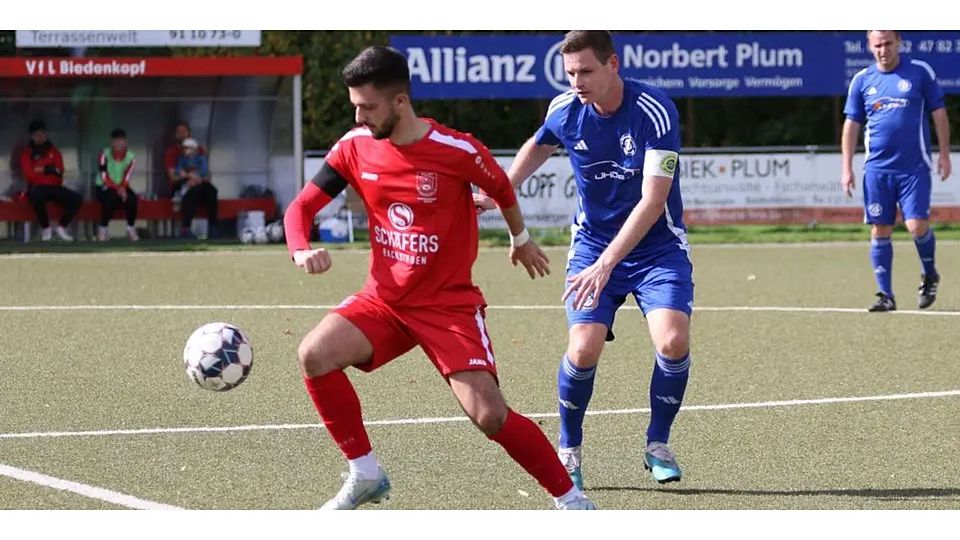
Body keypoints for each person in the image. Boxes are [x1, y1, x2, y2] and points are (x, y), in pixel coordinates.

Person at [283, 46, 596, 511]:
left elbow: (501, 187)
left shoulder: (457, 149)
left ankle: (571, 501)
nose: (358, 116)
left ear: (400, 102)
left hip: (447, 307)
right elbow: (301, 207)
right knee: (314, 354)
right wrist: (301, 249)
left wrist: (521, 238)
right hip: (384, 301)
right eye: (355, 106)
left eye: (367, 106)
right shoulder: (354, 146)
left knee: (490, 415)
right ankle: (365, 472)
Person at [477, 31, 693, 489]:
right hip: (593, 244)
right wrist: (502, 191)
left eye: (586, 71)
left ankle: (658, 444)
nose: (577, 82)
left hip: (656, 248)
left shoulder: (654, 110)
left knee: (673, 342)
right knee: (582, 349)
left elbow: (654, 201)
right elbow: (539, 145)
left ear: (613, 64)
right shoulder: (565, 109)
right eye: (570, 73)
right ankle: (569, 449)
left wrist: (607, 265)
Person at [842, 30, 952, 312]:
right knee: (880, 228)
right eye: (878, 45)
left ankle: (930, 274)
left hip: (913, 167)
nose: (883, 50)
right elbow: (852, 124)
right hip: (877, 170)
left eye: (888, 43)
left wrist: (943, 154)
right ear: (870, 46)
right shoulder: (862, 80)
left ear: (899, 43)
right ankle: (886, 295)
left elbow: (939, 113)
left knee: (916, 226)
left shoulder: (919, 72)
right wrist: (847, 167)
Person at [21, 120, 82, 242]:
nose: (40, 137)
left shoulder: (54, 151)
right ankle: (46, 228)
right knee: (36, 195)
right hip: (37, 187)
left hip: (54, 186)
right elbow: (29, 175)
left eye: (42, 133)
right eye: (36, 134)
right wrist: (48, 169)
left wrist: (41, 170)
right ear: (32, 136)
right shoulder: (27, 154)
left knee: (76, 199)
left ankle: (61, 227)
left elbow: (59, 172)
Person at [95, 128, 139, 241]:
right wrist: (118, 189)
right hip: (103, 186)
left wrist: (123, 188)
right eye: (116, 140)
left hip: (122, 186)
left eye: (121, 140)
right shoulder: (104, 154)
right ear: (112, 142)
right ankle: (103, 229)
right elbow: (104, 176)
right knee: (111, 198)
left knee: (132, 199)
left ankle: (130, 229)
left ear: (126, 142)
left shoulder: (131, 157)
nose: (119, 143)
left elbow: (127, 176)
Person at [173, 137, 218, 238]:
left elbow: (204, 172)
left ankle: (213, 227)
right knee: (191, 193)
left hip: (200, 183)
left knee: (212, 191)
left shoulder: (201, 159)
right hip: (188, 185)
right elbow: (178, 172)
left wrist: (194, 177)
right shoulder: (182, 159)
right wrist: (190, 176)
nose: (185, 150)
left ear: (194, 149)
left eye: (187, 148)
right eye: (184, 148)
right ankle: (186, 229)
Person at [163, 121, 205, 187]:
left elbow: (206, 173)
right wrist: (188, 176)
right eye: (179, 132)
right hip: (180, 187)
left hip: (199, 186)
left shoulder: (199, 150)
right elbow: (173, 178)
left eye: (184, 131)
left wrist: (200, 178)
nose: (182, 134)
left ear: (189, 133)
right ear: (175, 135)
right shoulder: (171, 152)